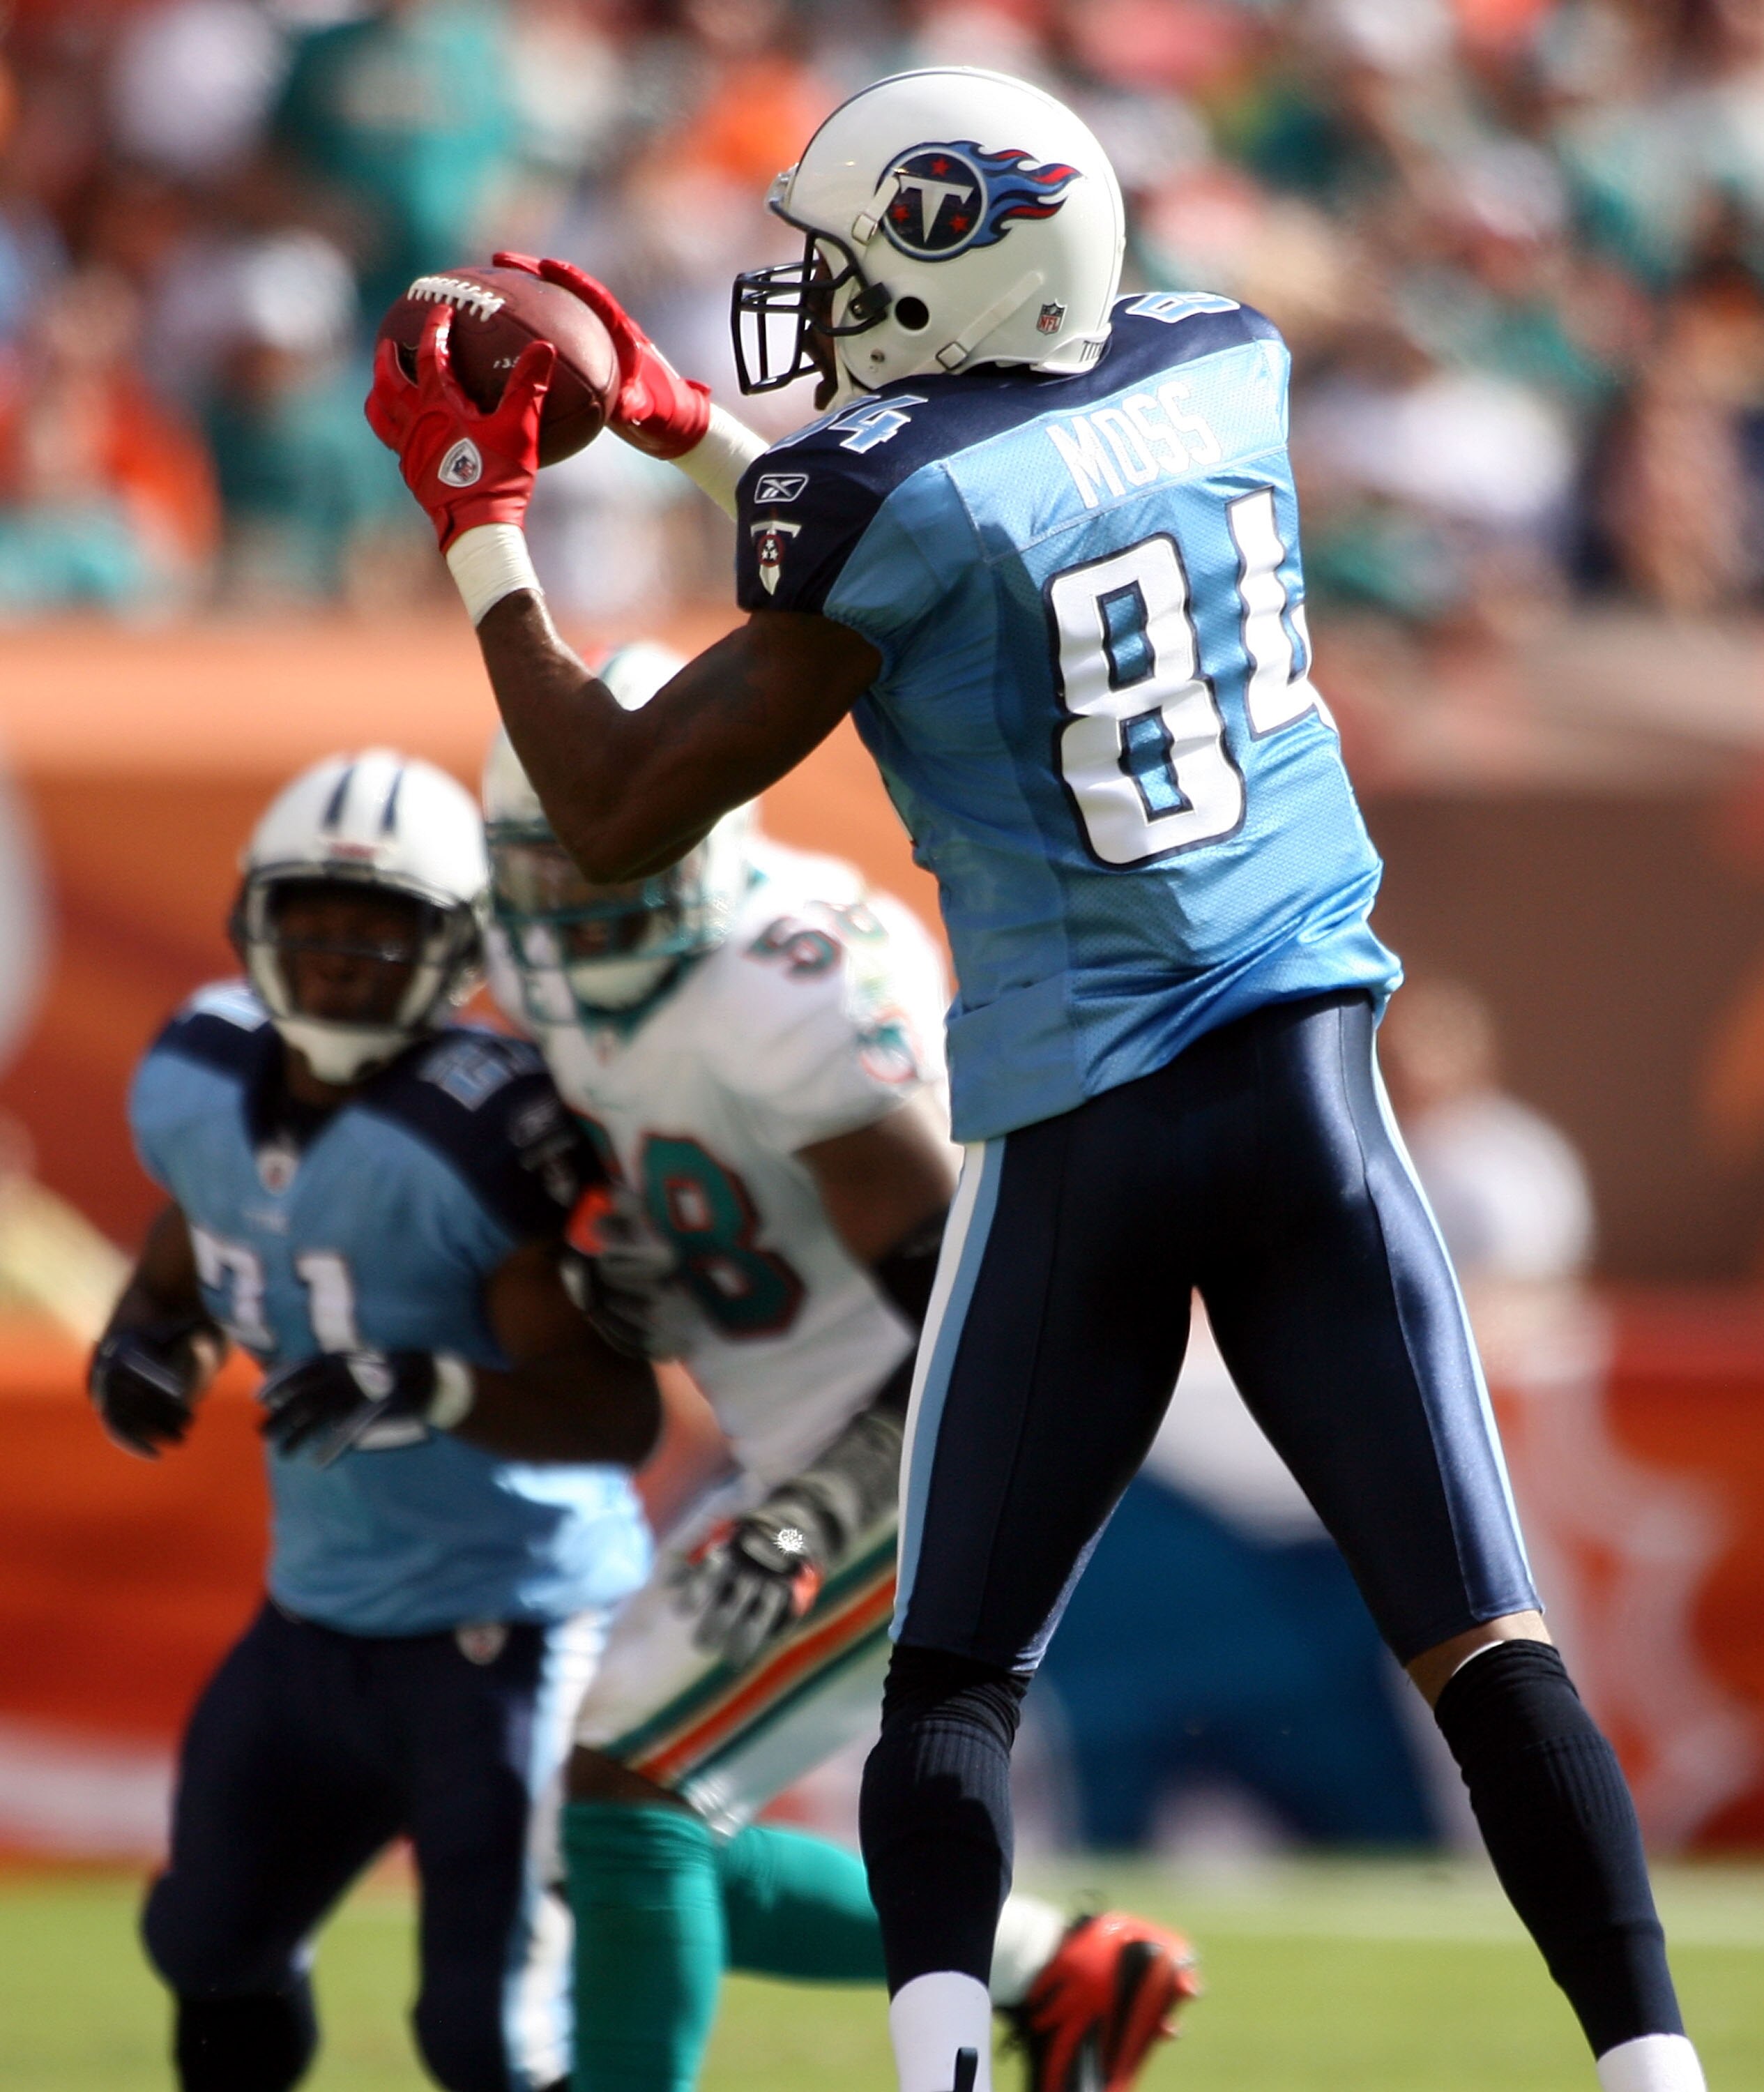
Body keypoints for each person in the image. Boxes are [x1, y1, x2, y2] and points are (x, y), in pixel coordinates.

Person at [365, 65, 1706, 2092]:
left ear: (961, 254)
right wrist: (676, 427)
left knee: (957, 1687)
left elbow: (623, 803)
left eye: (847, 258)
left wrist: (485, 536)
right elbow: (967, 530)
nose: (812, 301)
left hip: (1088, 1126)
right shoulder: (1218, 362)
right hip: (1313, 1103)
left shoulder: (881, 499)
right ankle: (1655, 2072)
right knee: (1486, 1649)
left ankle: (946, 2079)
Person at [481, 652, 1196, 2092]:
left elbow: (960, 1320)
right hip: (801, 1424)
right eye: (547, 865)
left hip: (942, 1425)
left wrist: (810, 1513)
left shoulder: (781, 984)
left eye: (609, 849)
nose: (582, 891)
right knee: (597, 1824)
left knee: (631, 1778)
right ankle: (1053, 1972)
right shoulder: (547, 987)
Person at [90, 749, 661, 2092]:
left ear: (453, 947)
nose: (340, 957)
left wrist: (429, 1383)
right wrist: (144, 1340)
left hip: (506, 1630)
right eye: (313, 920)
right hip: (316, 1617)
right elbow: (196, 1236)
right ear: (253, 923)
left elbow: (612, 1411)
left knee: (487, 2035)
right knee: (207, 1943)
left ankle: (1018, 1954)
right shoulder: (195, 1076)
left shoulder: (477, 1135)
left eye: (380, 928)